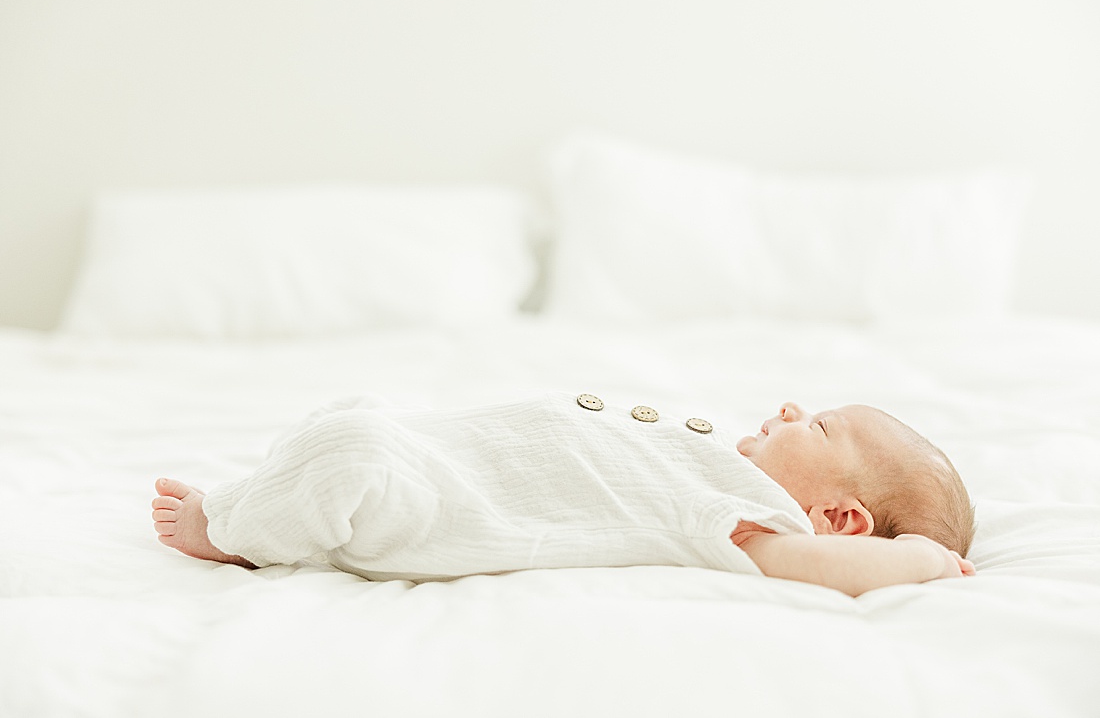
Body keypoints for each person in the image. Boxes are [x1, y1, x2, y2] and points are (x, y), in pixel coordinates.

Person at [151, 392, 976, 597]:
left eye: (821, 427)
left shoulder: (747, 517)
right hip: (452, 456)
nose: (794, 408)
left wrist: (917, 562)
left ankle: (227, 527)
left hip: (448, 504)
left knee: (350, 454)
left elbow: (811, 565)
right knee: (356, 428)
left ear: (839, 518)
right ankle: (263, 495)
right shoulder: (723, 477)